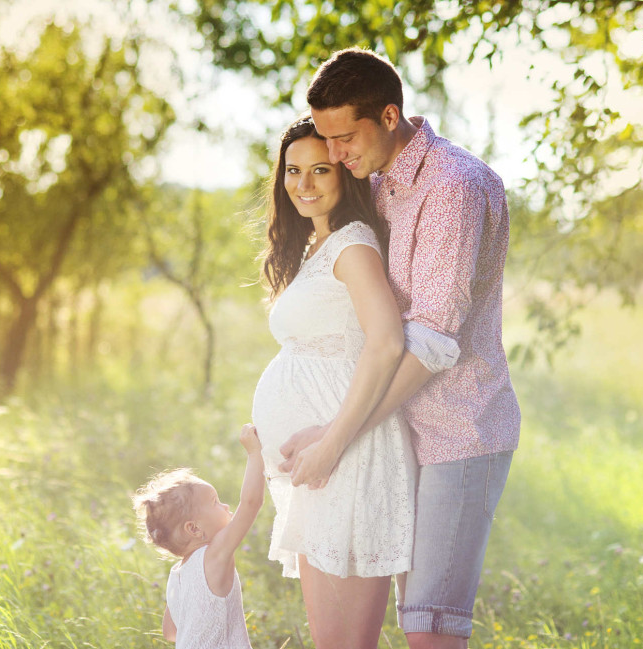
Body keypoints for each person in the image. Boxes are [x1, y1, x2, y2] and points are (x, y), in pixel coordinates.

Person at [280, 47, 522, 648]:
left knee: (430, 631)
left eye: (344, 137)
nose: (334, 154)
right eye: (326, 140)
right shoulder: (382, 181)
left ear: (390, 116)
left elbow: (433, 341)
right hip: (397, 436)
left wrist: (340, 433)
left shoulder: (453, 187)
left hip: (456, 434)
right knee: (406, 621)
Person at [250, 116, 418, 649]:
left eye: (320, 169)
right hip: (323, 463)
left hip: (347, 457)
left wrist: (328, 442)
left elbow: (388, 340)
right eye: (293, 171)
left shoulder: (352, 245)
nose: (304, 183)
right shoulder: (316, 248)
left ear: (345, 172)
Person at [132, 424, 264, 649]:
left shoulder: (177, 576)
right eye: (215, 502)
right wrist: (254, 453)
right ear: (194, 529)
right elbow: (251, 504)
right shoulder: (213, 556)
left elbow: (171, 632)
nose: (226, 506)